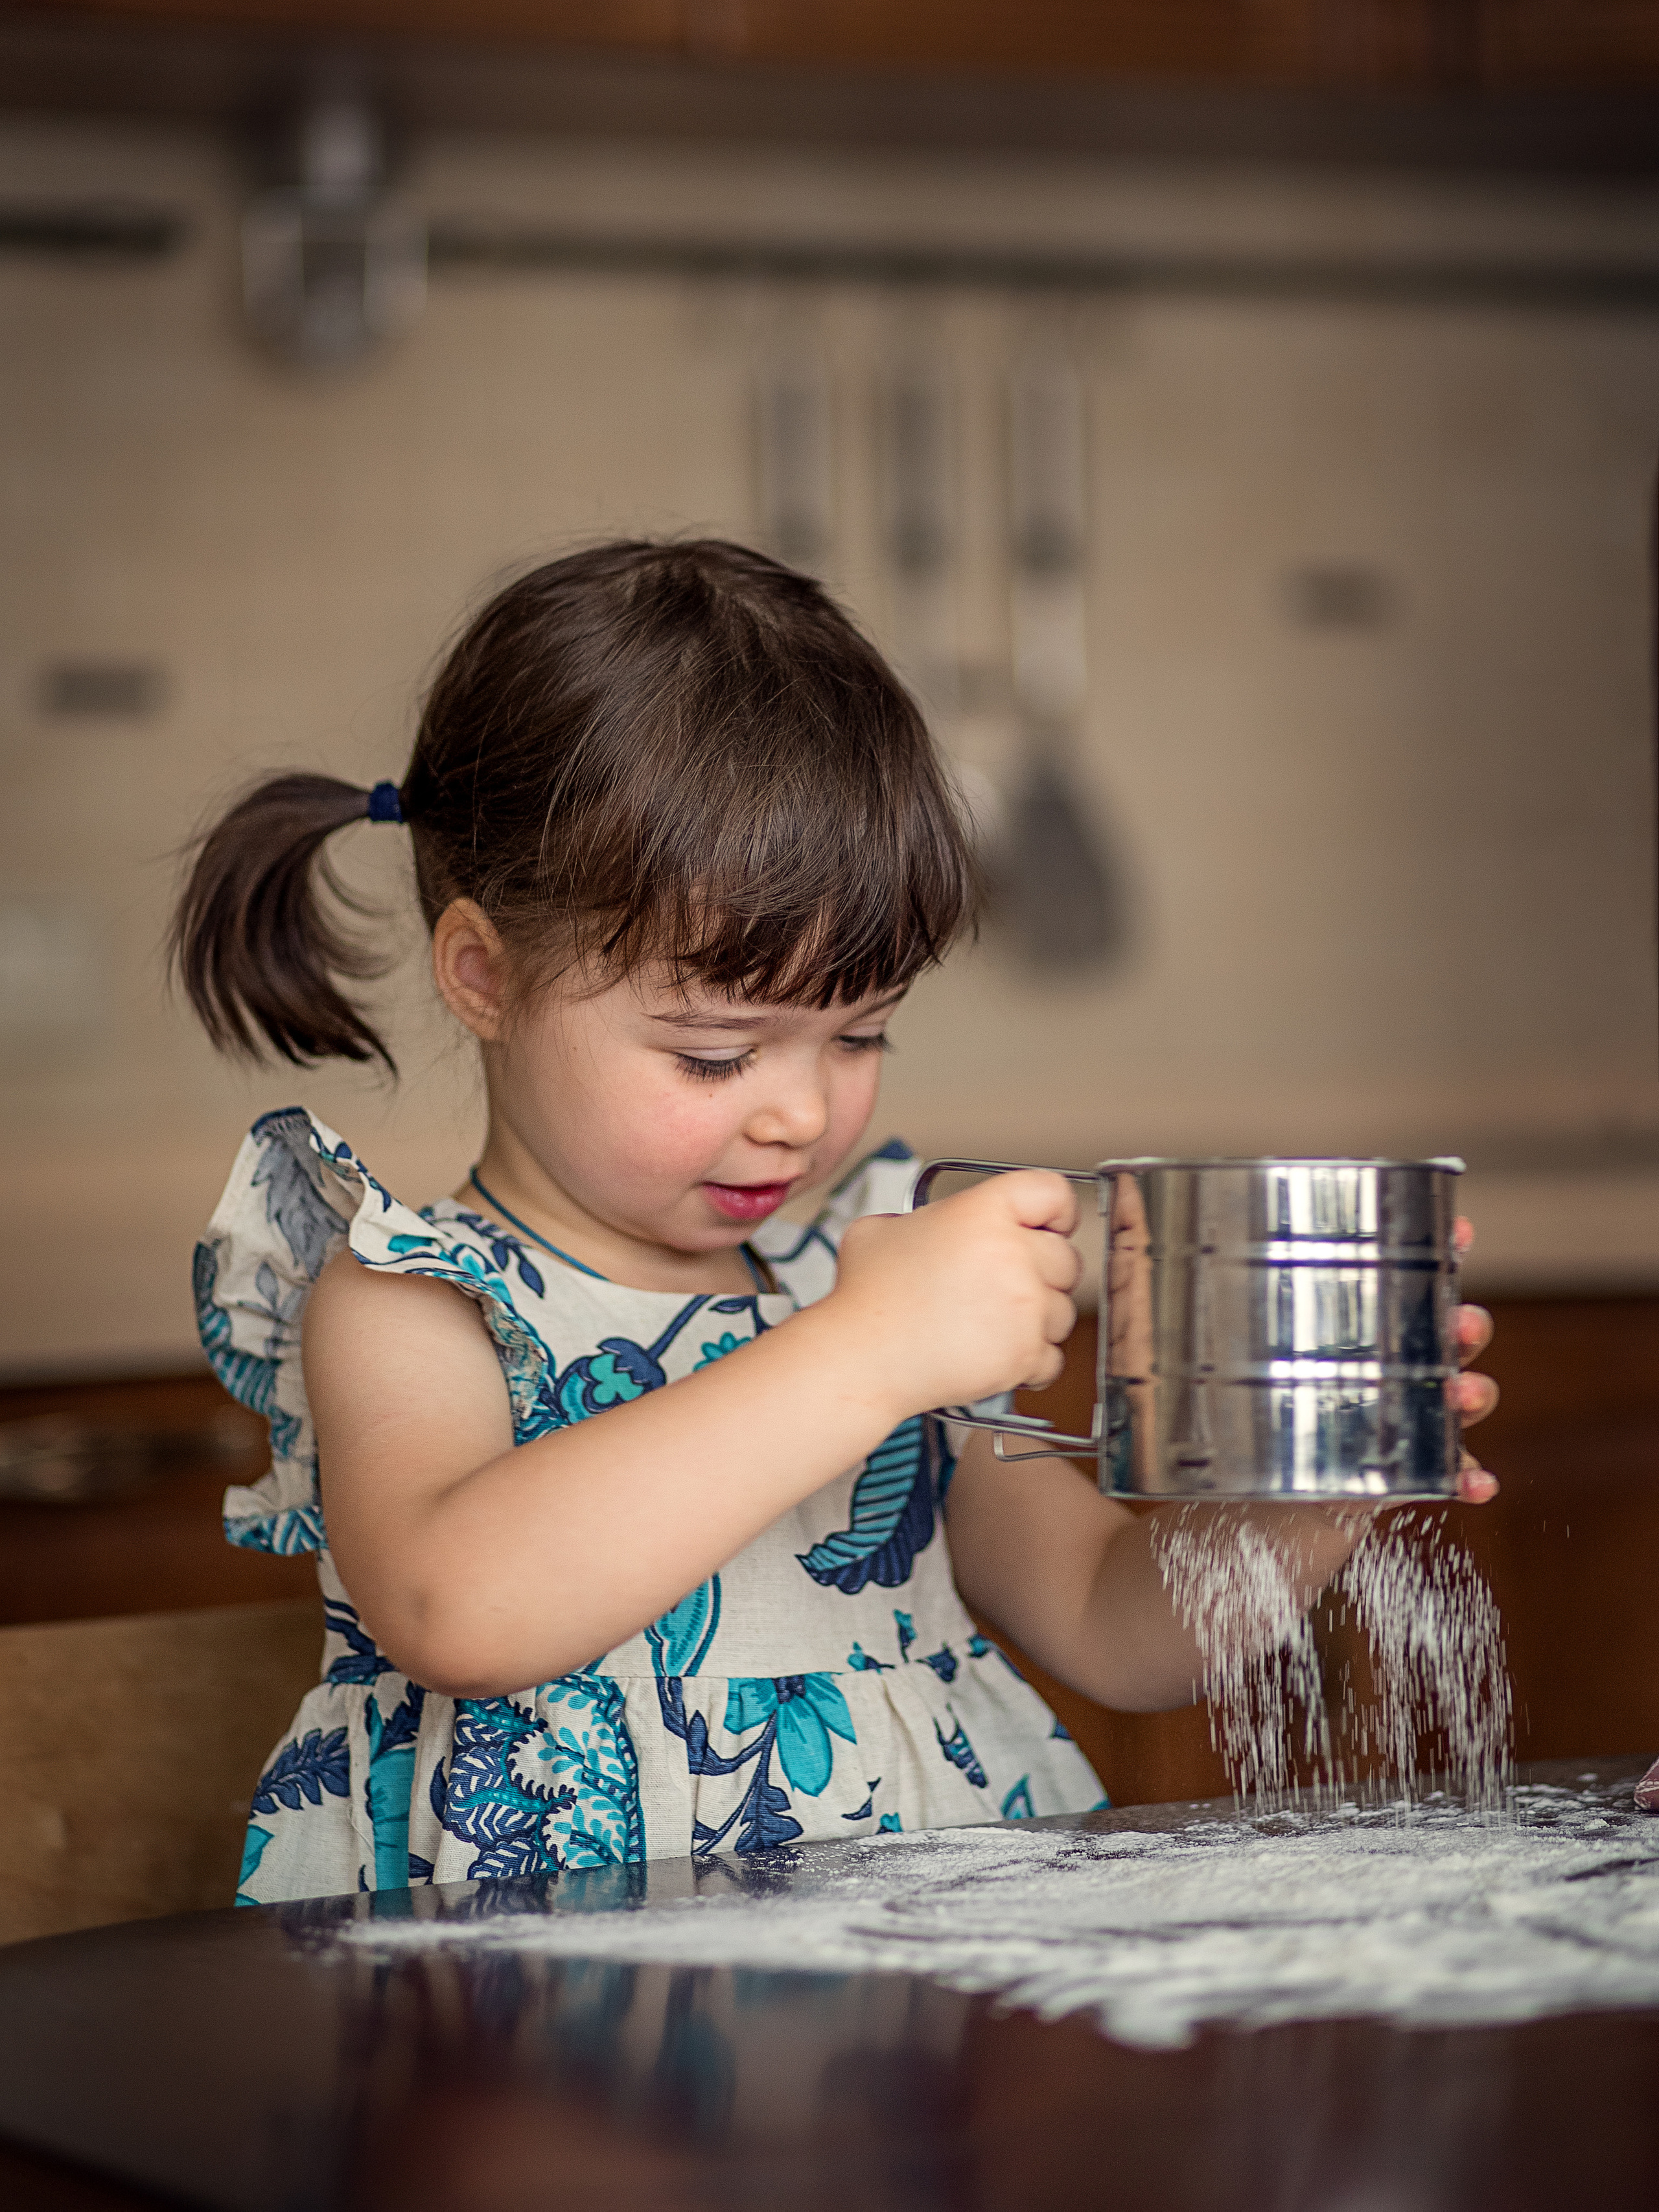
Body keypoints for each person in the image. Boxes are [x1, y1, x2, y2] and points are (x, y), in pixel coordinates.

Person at [174, 539, 1499, 1904]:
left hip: (897, 2018)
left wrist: (1313, 1497)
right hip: (541, 2028)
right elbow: (457, 1607)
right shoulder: (415, 1298)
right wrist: (865, 1354)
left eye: (859, 1034)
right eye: (713, 1055)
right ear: (481, 976)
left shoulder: (853, 1270)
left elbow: (1109, 1622)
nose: (800, 1116)